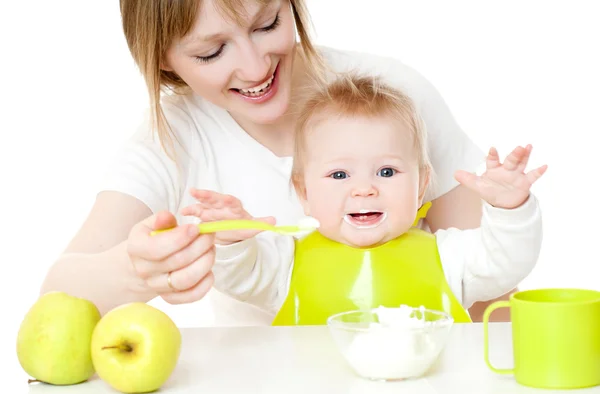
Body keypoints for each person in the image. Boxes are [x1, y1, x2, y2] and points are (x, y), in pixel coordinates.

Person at [40, 0, 512, 323]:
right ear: (162, 59)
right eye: (211, 51)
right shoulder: (172, 140)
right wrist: (137, 269)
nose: (255, 66)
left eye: (267, 23)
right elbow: (55, 296)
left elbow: (488, 291)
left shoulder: (393, 98)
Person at [181, 74, 546, 324]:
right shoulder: (286, 262)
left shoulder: (448, 257)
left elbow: (505, 263)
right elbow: (241, 276)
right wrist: (231, 238)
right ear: (304, 193)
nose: (364, 189)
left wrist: (509, 209)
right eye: (339, 175)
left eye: (386, 172)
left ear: (420, 187)